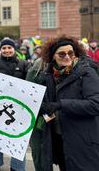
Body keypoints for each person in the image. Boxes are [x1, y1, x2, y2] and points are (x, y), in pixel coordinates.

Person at [39, 36, 99, 171]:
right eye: (62, 54)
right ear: (53, 56)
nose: (67, 57)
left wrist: (61, 104)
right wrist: (43, 107)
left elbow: (96, 104)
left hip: (84, 141)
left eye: (71, 53)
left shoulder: (87, 72)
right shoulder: (49, 75)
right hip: (60, 140)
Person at [0, 38, 30, 171]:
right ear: (0, 50)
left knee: (19, 139)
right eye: (4, 48)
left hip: (19, 108)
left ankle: (17, 167)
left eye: (9, 47)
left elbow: (31, 83)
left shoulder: (24, 64)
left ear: (14, 49)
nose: (7, 50)